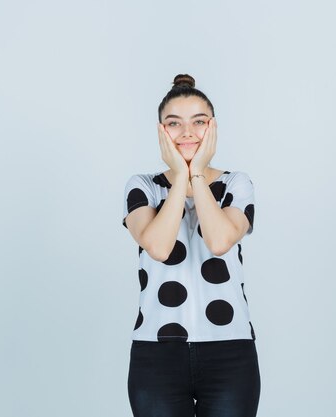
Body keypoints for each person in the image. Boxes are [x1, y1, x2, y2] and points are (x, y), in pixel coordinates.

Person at [121, 74, 261, 417]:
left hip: (230, 351)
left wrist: (196, 174)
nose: (187, 132)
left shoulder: (235, 184)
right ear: (160, 131)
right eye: (174, 123)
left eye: (199, 122)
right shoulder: (143, 187)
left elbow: (219, 240)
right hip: (157, 354)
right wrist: (180, 175)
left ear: (212, 127)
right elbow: (158, 246)